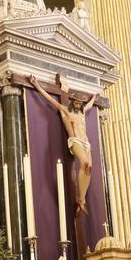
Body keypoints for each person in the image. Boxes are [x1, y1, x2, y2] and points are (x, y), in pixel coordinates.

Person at [28, 75, 95, 214]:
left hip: (86, 143)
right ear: (72, 102)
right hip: (75, 140)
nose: (77, 103)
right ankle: (81, 199)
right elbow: (50, 99)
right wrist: (37, 85)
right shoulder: (66, 110)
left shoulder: (82, 113)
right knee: (84, 164)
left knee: (90, 168)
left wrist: (95, 95)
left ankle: (81, 200)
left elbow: (90, 104)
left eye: (79, 102)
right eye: (75, 101)